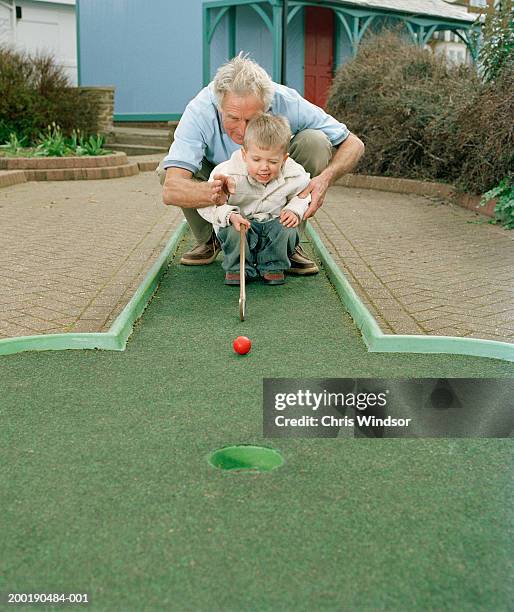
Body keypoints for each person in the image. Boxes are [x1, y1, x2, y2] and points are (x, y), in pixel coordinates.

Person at [160, 53, 365, 274]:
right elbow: (171, 189)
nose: (243, 130)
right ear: (219, 106)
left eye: (251, 119)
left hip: (272, 177)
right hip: (222, 182)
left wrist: (324, 180)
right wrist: (212, 193)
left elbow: (354, 144)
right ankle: (212, 238)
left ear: (268, 107)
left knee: (315, 142)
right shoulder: (199, 110)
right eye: (233, 118)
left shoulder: (287, 101)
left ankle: (287, 242)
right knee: (167, 170)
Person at [199, 113, 310, 286]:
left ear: (284, 159)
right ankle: (238, 267)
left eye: (273, 161)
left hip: (272, 224)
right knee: (235, 231)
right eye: (256, 159)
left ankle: (273, 265)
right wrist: (229, 215)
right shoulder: (227, 173)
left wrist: (295, 209)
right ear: (244, 155)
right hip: (241, 225)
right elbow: (206, 203)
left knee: (288, 227)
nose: (264, 167)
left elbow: (304, 194)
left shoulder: (294, 173)